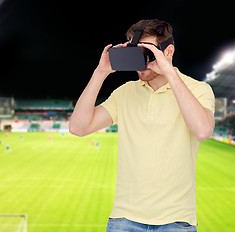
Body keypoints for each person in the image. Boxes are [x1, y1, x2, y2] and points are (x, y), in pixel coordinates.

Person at [69, 19, 215, 232]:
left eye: (148, 53)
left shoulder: (198, 90)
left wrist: (168, 72)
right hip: (124, 219)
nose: (142, 62)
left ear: (169, 51)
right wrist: (100, 73)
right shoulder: (125, 93)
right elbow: (78, 128)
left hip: (176, 221)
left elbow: (203, 130)